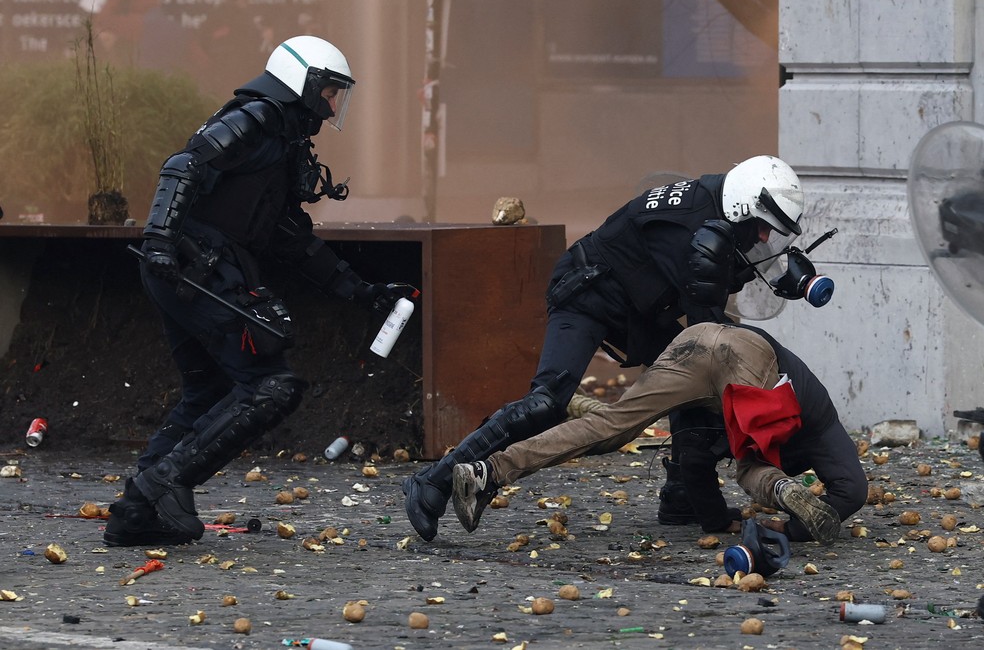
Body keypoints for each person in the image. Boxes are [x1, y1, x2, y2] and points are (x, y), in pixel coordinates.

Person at [403, 155, 815, 541]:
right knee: (547, 401)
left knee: (693, 380)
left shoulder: (717, 210)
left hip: (642, 309)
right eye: (762, 225)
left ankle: (682, 497)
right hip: (589, 293)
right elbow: (707, 329)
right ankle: (434, 481)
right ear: (743, 206)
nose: (764, 236)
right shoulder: (690, 227)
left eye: (771, 231)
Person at [103, 36, 405, 547]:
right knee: (271, 386)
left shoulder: (281, 140)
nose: (332, 105)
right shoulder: (259, 118)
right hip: (193, 266)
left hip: (191, 267)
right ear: (302, 82)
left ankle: (137, 513)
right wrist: (158, 240)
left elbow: (292, 237)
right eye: (329, 91)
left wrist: (361, 291)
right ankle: (164, 484)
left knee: (209, 391)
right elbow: (184, 165)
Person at [451, 322, 868, 545]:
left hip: (699, 337)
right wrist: (789, 525)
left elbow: (695, 464)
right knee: (751, 466)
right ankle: (782, 491)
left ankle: (487, 472)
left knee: (613, 426)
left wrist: (718, 520)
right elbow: (851, 490)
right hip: (751, 358)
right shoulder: (817, 420)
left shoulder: (719, 418)